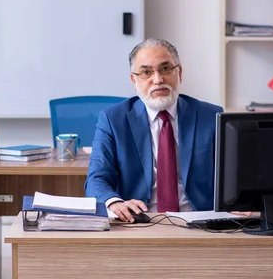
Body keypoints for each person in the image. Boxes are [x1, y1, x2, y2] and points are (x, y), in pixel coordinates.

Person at [85, 38, 223, 222]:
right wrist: (114, 203)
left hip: (199, 221)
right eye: (146, 72)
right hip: (138, 222)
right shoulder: (113, 119)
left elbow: (233, 176)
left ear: (179, 73)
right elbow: (97, 178)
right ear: (134, 80)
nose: (158, 79)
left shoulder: (211, 116)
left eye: (166, 69)